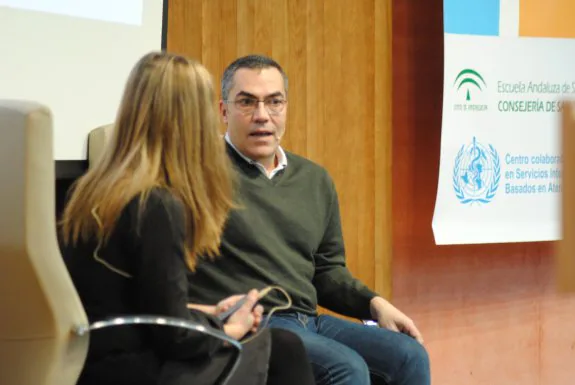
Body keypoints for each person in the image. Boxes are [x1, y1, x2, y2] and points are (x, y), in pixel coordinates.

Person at [59, 51, 316, 385]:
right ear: (191, 121)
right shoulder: (157, 206)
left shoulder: (92, 191)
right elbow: (175, 338)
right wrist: (228, 327)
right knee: (283, 348)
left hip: (95, 363)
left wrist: (208, 313)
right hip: (136, 371)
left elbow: (141, 308)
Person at [186, 54, 431, 385]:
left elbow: (328, 271)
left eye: (274, 102)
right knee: (345, 368)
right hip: (250, 322)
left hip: (309, 319)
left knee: (409, 356)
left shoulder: (314, 179)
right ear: (223, 110)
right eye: (247, 102)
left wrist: (374, 305)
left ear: (286, 107)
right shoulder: (198, 174)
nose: (262, 116)